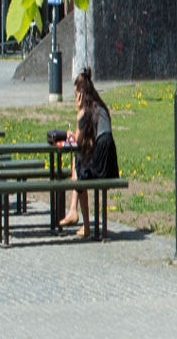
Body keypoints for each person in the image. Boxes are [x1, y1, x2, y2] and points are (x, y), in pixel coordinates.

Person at [61, 69, 118, 238]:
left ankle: (83, 222)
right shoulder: (100, 106)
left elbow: (77, 142)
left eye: (76, 93)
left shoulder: (85, 110)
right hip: (110, 163)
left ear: (80, 94)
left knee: (79, 169)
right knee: (80, 163)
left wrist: (78, 111)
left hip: (102, 160)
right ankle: (74, 212)